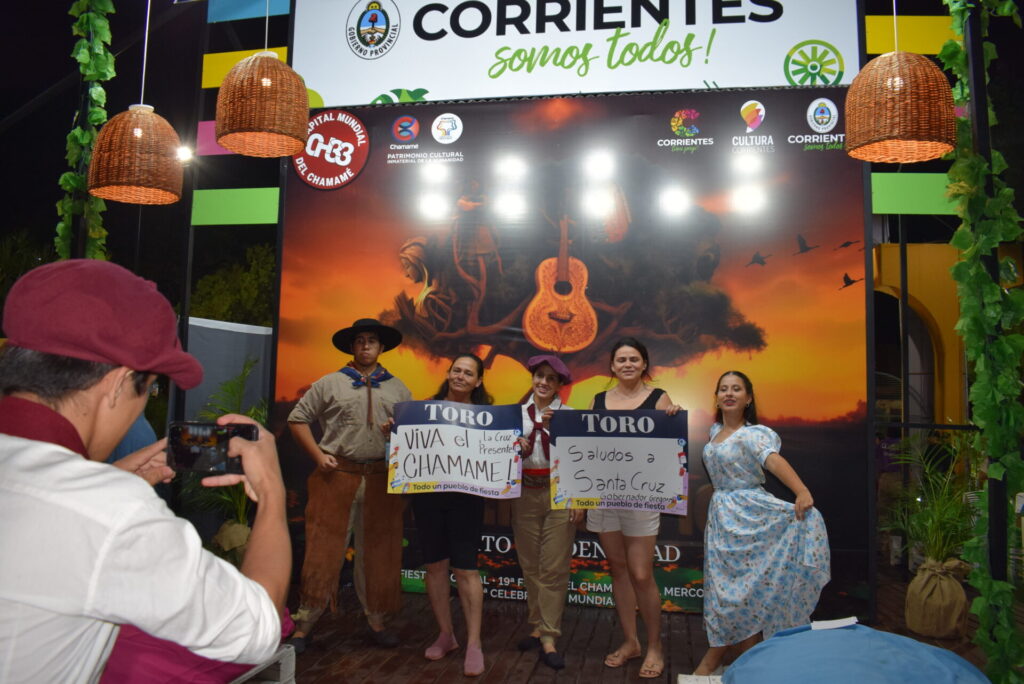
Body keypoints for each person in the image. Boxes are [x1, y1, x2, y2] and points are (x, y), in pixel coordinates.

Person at [0, 259, 289, 682]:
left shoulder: (95, 503)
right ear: (118, 384)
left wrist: (110, 479)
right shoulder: (110, 512)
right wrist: (273, 492)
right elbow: (256, 629)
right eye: (150, 388)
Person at [693, 370, 830, 675]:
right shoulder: (714, 432)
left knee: (749, 588)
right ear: (716, 397)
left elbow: (774, 461)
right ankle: (745, 659)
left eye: (736, 389)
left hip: (751, 516)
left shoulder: (754, 434)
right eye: (723, 389)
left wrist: (801, 491)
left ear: (748, 398)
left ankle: (727, 660)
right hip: (722, 518)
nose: (729, 393)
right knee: (724, 588)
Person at [287, 318, 412, 651]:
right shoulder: (330, 383)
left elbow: (412, 436)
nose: (366, 345)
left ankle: (377, 620)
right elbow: (297, 419)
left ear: (381, 347)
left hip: (380, 479)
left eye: (372, 340)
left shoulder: (399, 389)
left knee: (379, 552)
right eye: (360, 340)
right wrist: (318, 456)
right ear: (352, 346)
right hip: (336, 475)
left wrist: (395, 433)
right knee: (323, 549)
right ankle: (304, 624)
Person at [587, 336, 681, 680]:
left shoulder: (660, 399)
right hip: (604, 496)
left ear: (644, 365)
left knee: (641, 573)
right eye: (621, 360)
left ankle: (655, 646)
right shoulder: (598, 401)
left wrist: (673, 419)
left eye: (634, 359)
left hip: (643, 498)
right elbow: (585, 448)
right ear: (612, 366)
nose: (627, 364)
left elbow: (671, 447)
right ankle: (631, 642)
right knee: (618, 569)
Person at [411, 353, 492, 677]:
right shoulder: (424, 410)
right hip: (428, 497)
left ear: (478, 381)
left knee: (466, 569)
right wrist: (395, 431)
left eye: (468, 373)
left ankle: (474, 643)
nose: (460, 376)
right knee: (435, 566)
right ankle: (446, 635)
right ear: (448, 373)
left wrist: (513, 445)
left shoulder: (488, 417)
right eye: (456, 370)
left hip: (467, 499)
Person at [512, 354, 579, 670]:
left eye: (551, 378)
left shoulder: (570, 416)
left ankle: (549, 637)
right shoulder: (514, 415)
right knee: (530, 565)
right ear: (532, 377)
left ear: (559, 385)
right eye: (540, 375)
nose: (544, 382)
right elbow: (494, 455)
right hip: (525, 492)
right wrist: (514, 450)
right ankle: (537, 626)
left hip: (559, 494)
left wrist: (578, 500)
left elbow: (580, 461)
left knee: (553, 567)